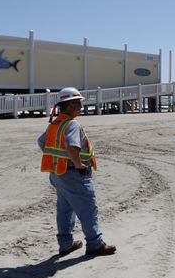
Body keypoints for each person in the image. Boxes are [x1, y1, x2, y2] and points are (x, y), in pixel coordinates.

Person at [37, 87, 116, 257]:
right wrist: (79, 164)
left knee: (65, 210)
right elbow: (73, 147)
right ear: (71, 105)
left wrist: (58, 158)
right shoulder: (72, 124)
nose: (81, 107)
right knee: (88, 209)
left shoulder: (55, 123)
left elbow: (42, 142)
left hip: (58, 174)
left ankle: (65, 244)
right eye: (79, 104)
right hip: (74, 174)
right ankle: (95, 244)